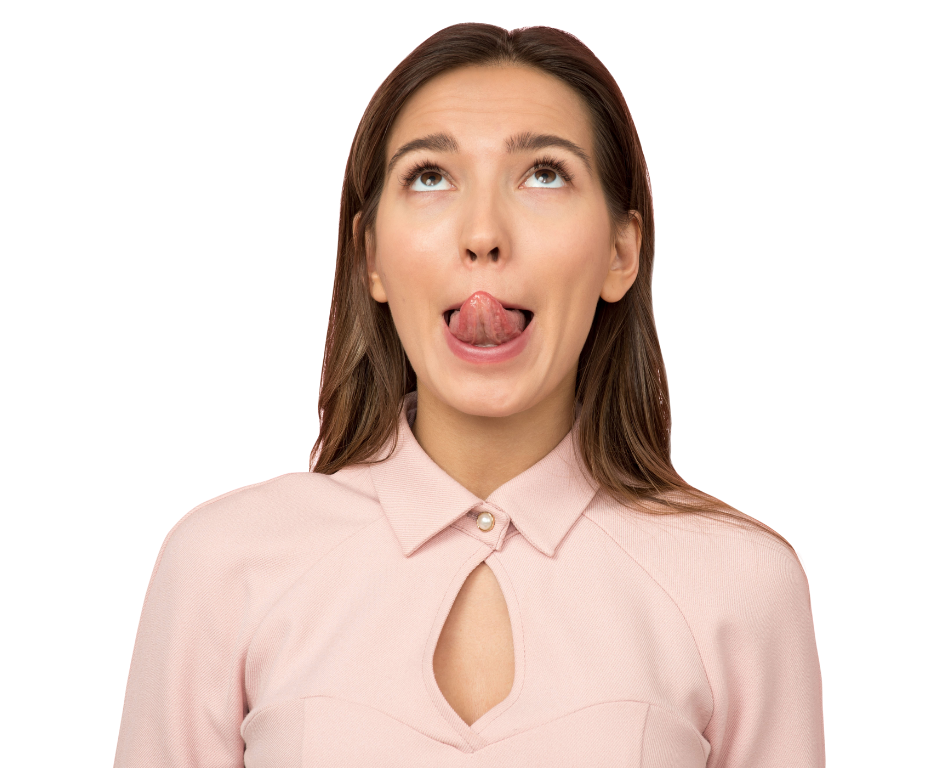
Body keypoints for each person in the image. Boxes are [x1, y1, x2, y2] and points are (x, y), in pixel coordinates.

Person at [113, 22, 824, 767]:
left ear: (621, 252)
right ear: (371, 258)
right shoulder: (223, 565)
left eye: (544, 174)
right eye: (430, 176)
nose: (483, 233)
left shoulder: (742, 587)